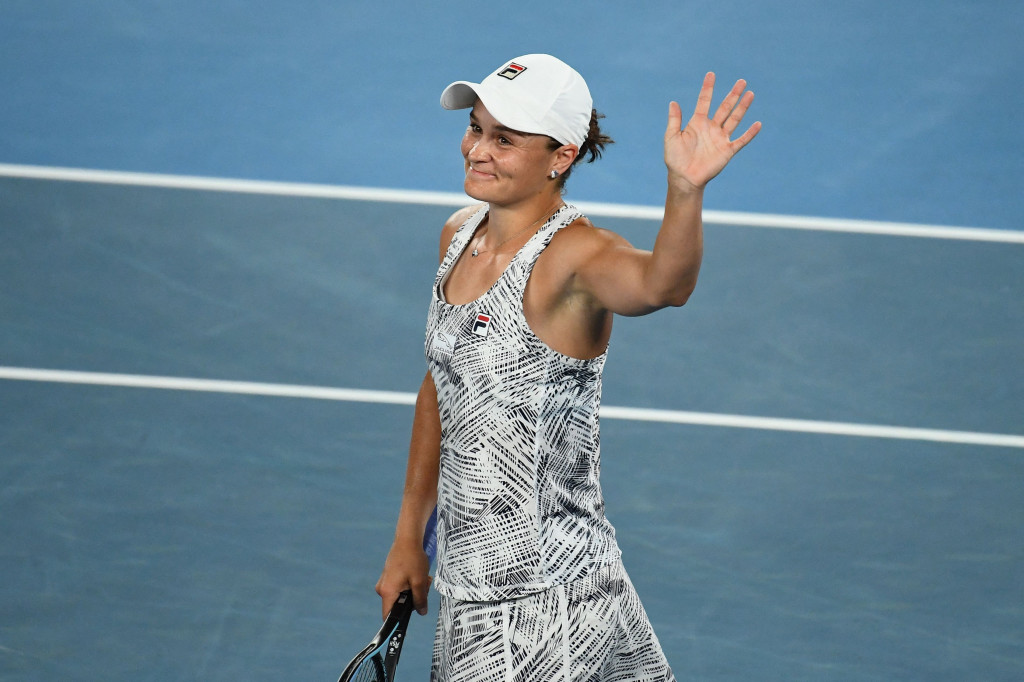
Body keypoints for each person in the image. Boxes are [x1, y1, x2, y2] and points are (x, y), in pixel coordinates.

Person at [376, 53, 760, 681]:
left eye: (505, 138)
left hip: (544, 603)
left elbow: (663, 285)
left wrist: (685, 190)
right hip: (475, 586)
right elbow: (441, 387)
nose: (478, 150)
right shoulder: (458, 235)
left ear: (562, 156)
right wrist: (407, 539)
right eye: (475, 128)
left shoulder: (577, 257)